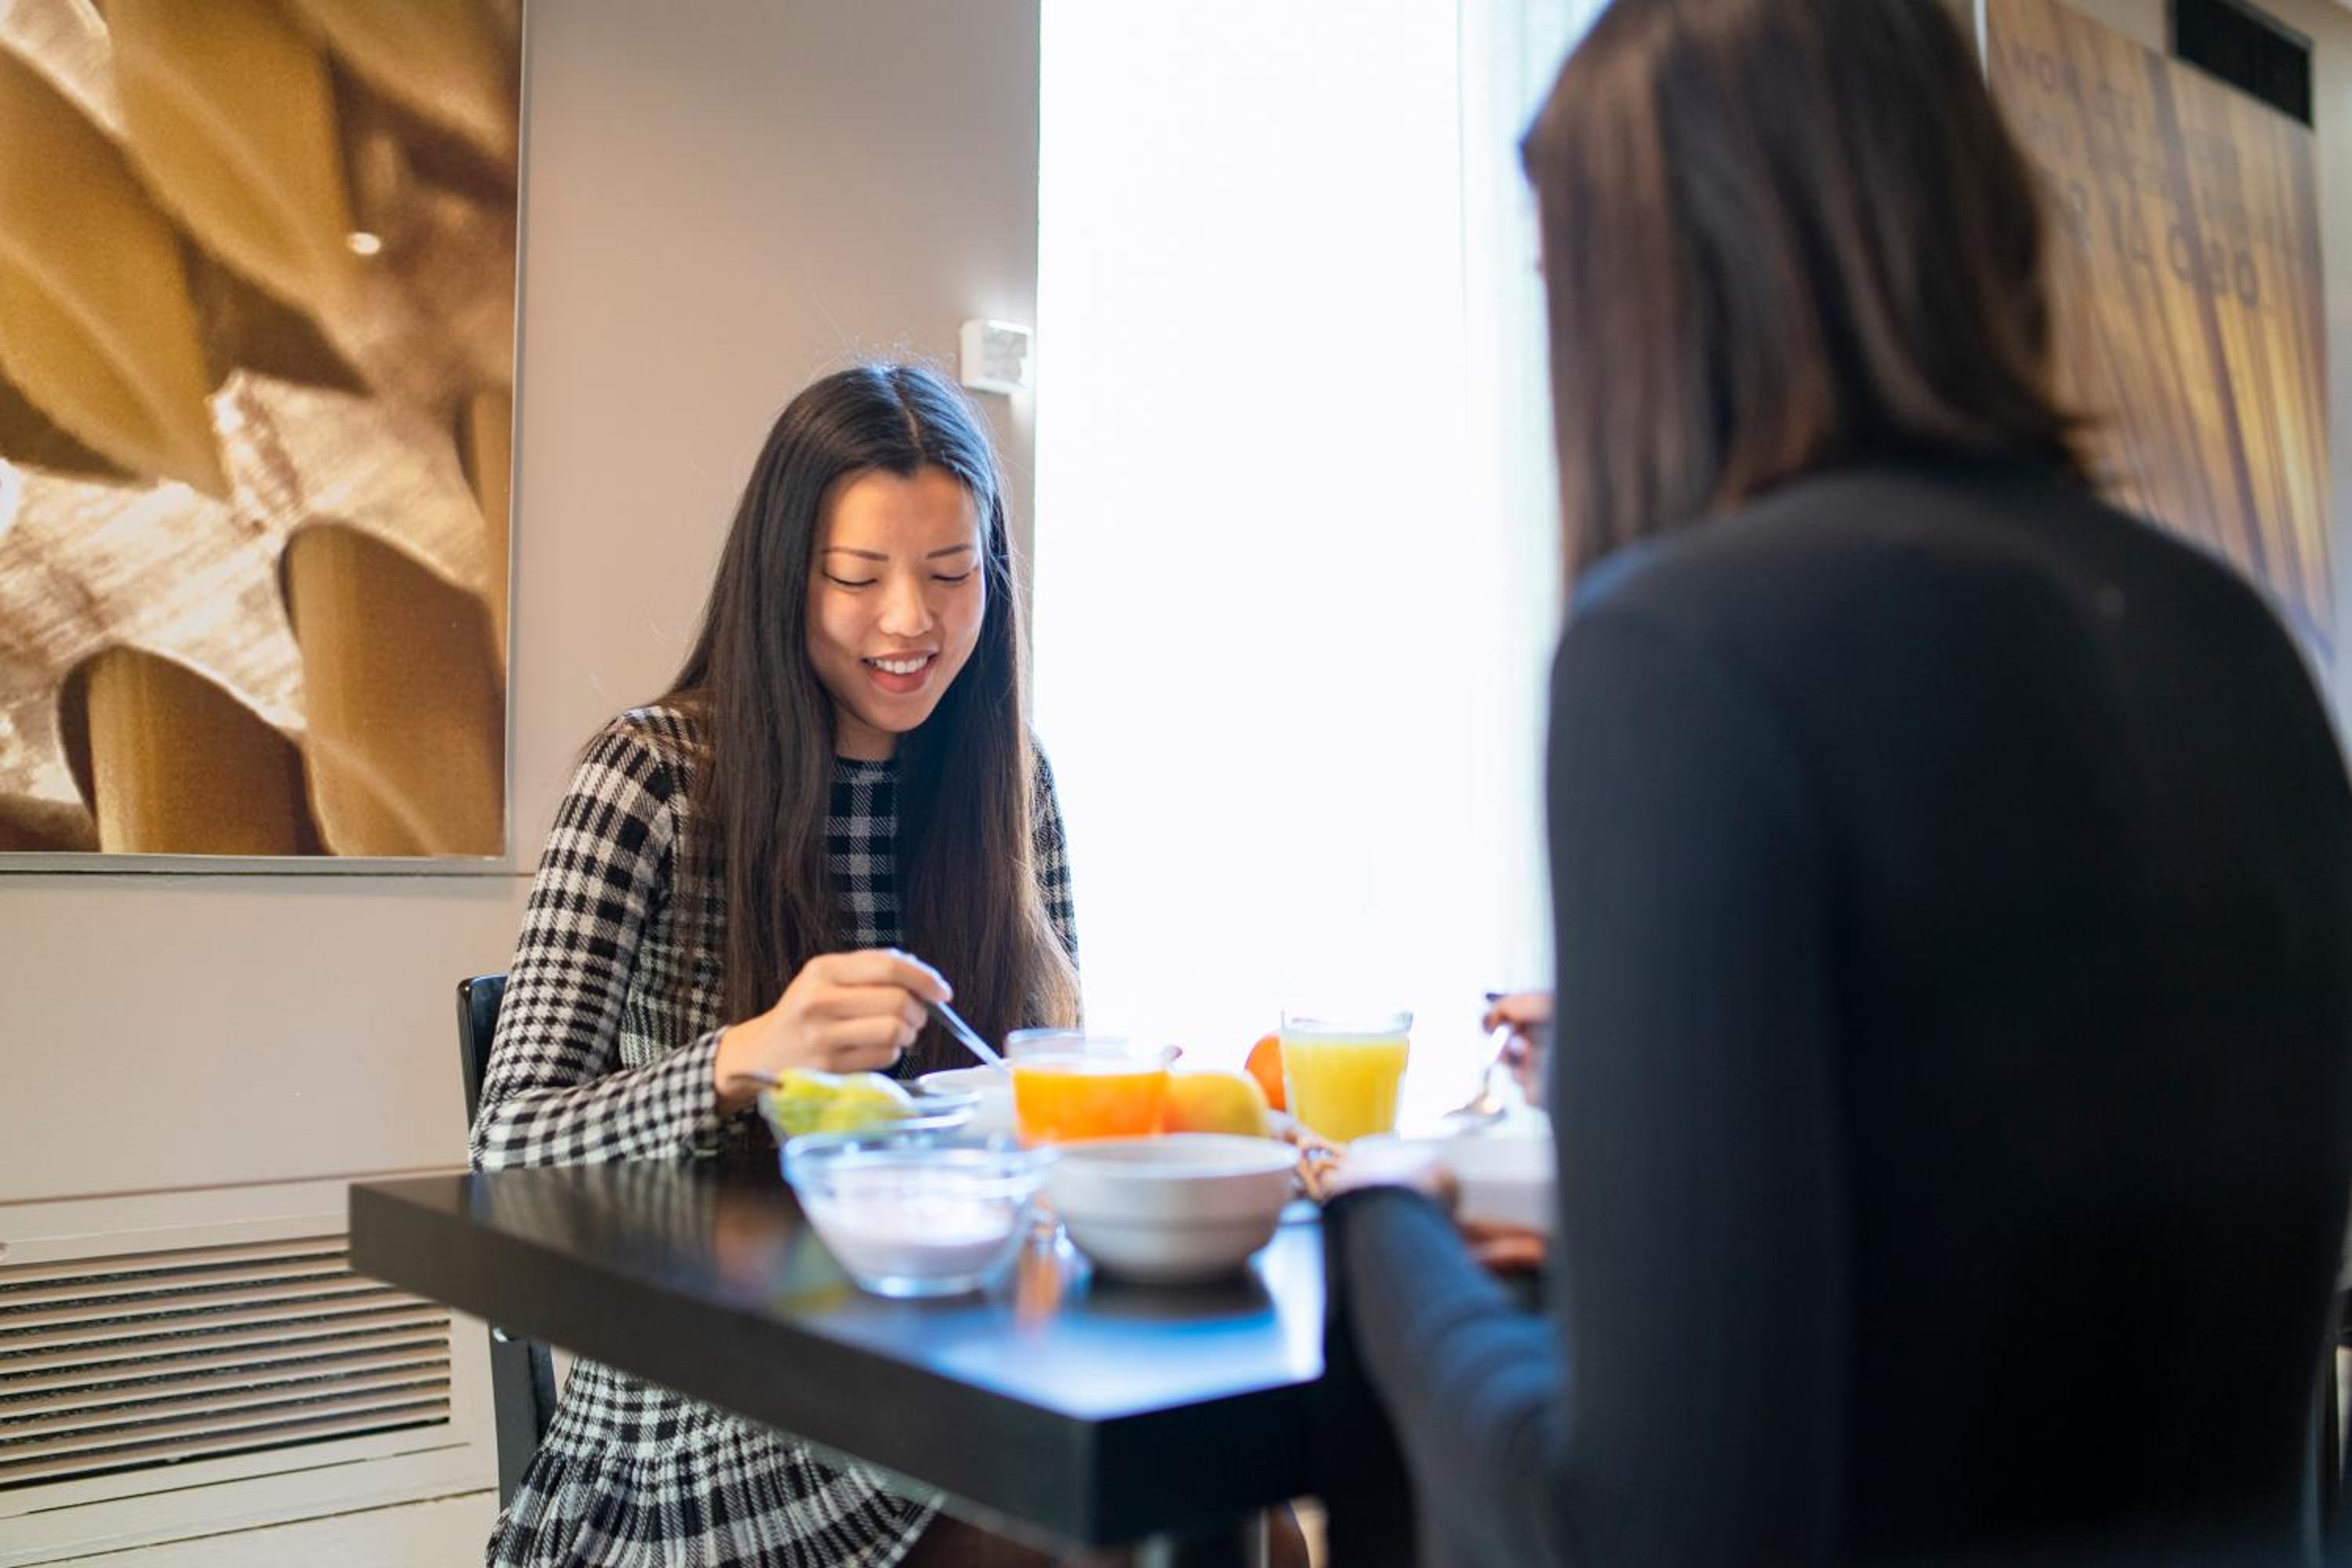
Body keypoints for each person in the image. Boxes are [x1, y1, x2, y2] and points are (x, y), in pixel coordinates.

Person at [1322, 1, 2352, 1563]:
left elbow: (1644, 1536)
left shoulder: (1678, 650)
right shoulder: (2238, 640)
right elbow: (2011, 1166)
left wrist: (1384, 1223)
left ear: (1654, 284)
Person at [470, 362, 1082, 1566]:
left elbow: (1044, 1100)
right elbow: (507, 1149)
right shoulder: (649, 779)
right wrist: (747, 1057)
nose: (911, 620)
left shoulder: (1011, 784)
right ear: (782, 575)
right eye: (858, 577)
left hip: (943, 1373)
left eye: (951, 573)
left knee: (1241, 1522)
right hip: (702, 1425)